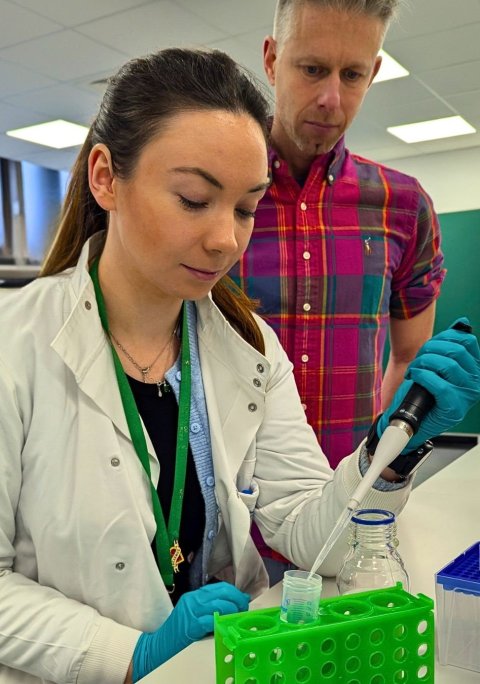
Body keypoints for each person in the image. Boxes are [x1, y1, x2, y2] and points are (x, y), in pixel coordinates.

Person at [0, 47, 478, 684]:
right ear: (106, 178)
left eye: (247, 207)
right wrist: (126, 654)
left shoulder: (247, 347)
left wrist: (389, 455)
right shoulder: (16, 344)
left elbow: (314, 536)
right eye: (195, 199)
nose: (226, 238)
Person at [230, 0, 447, 580]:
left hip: (358, 515)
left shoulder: (403, 206)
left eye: (351, 75)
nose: (331, 98)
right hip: (230, 526)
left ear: (373, 73)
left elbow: (408, 356)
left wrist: (377, 475)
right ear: (272, 60)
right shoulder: (220, 200)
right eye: (311, 69)